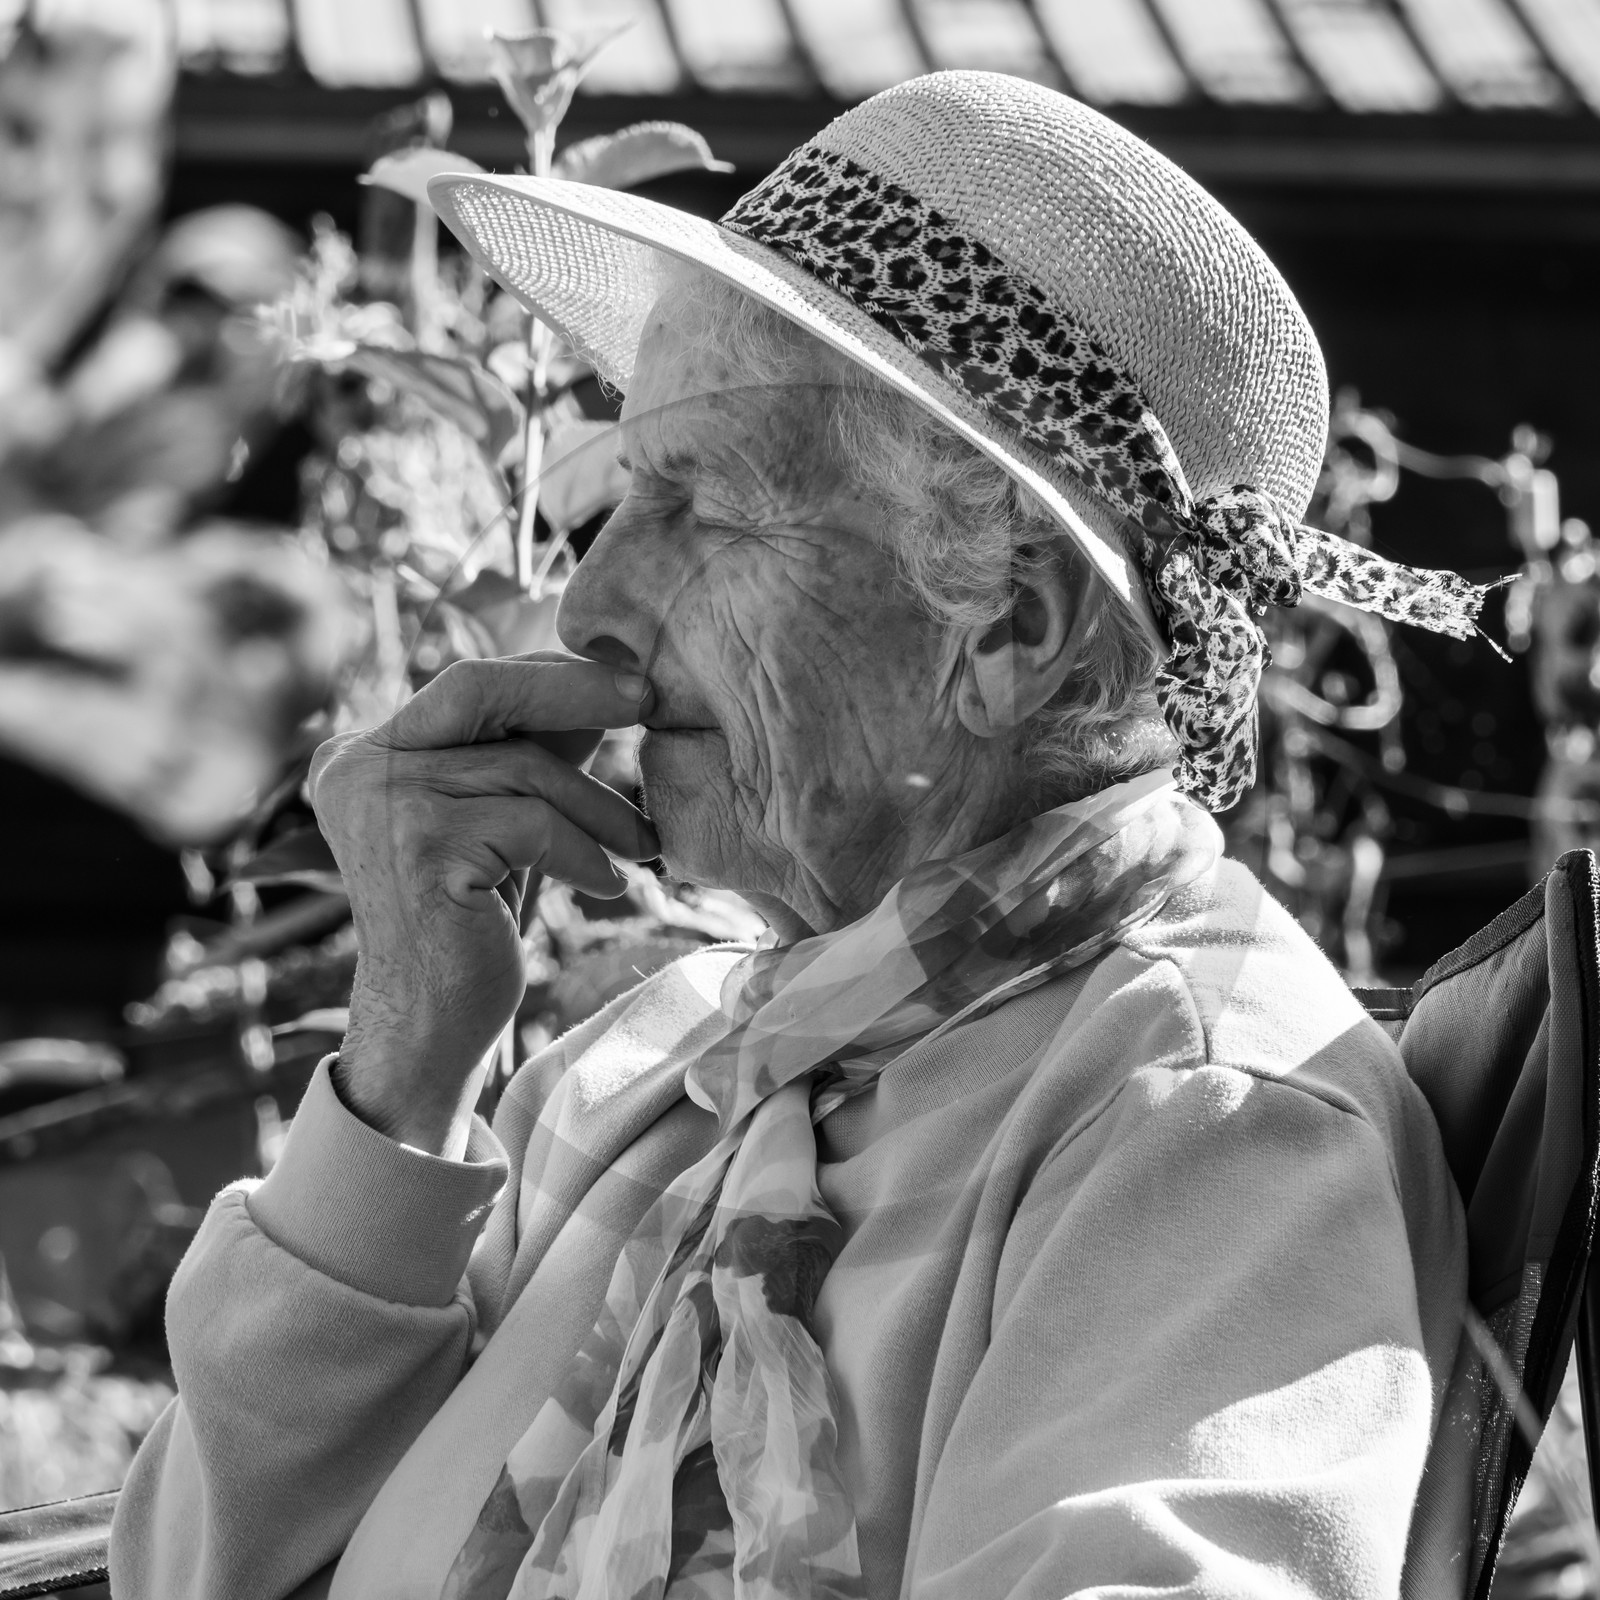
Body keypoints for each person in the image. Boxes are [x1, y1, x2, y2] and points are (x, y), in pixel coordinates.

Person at [112, 71, 1488, 1600]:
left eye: (702, 507)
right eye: (621, 498)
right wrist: (404, 1058)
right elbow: (185, 1574)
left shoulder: (1198, 1130)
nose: (592, 602)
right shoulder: (655, 1068)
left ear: (1008, 630)